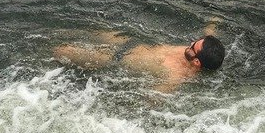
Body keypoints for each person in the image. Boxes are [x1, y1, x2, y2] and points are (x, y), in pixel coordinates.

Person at [53, 20, 225, 92]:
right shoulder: (201, 52)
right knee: (75, 31)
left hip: (113, 58)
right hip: (130, 41)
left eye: (192, 47)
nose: (189, 44)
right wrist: (213, 23)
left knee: (61, 51)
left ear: (196, 62)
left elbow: (154, 97)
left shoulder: (176, 77)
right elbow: (209, 36)